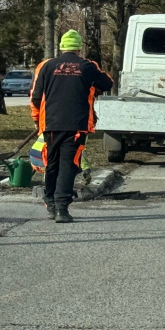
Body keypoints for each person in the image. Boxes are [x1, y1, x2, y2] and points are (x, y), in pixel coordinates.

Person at [30, 29, 113, 223]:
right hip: (77, 125)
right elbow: (107, 82)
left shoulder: (46, 66)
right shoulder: (87, 66)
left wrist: (37, 119)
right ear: (78, 48)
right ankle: (62, 208)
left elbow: (35, 96)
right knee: (68, 165)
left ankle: (50, 202)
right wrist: (93, 87)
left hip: (50, 123)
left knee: (52, 163)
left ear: (61, 47)